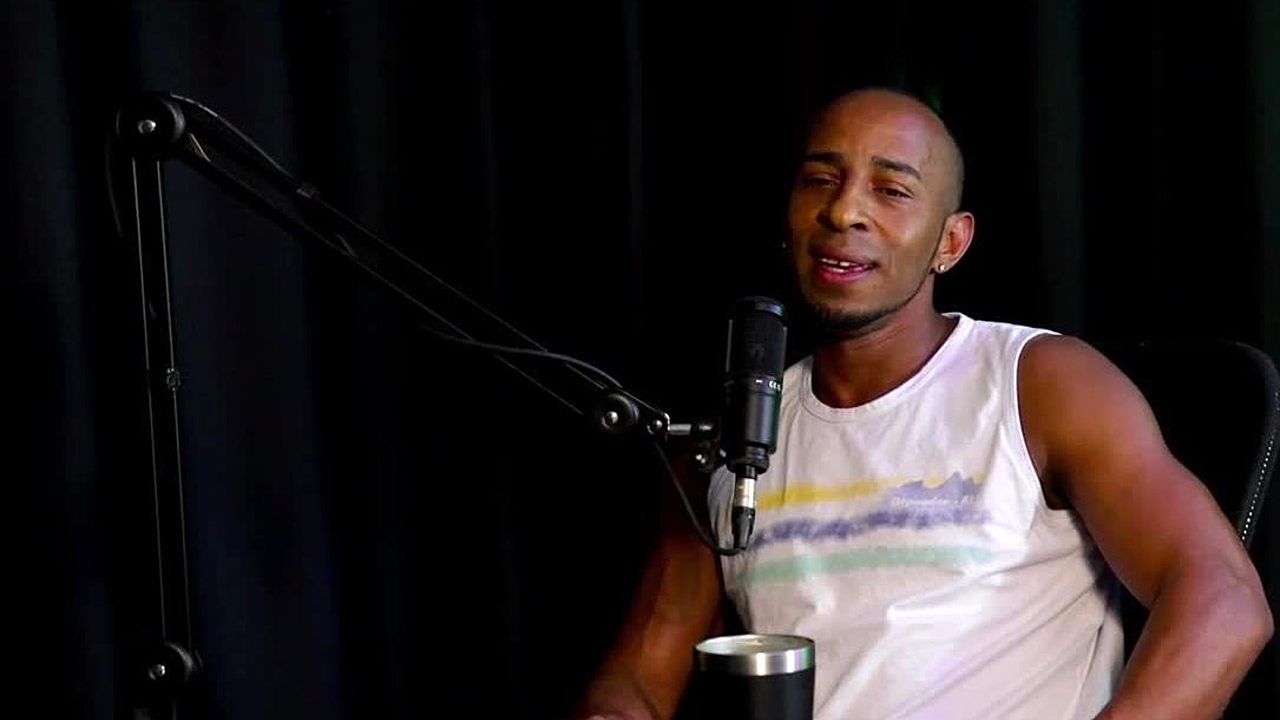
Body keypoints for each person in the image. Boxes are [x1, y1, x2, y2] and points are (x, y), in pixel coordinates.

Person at [573, 87, 1273, 720]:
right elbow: (640, 678)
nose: (844, 211)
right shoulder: (736, 435)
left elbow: (1223, 601)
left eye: (891, 190)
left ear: (951, 242)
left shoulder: (1040, 384)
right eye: (821, 180)